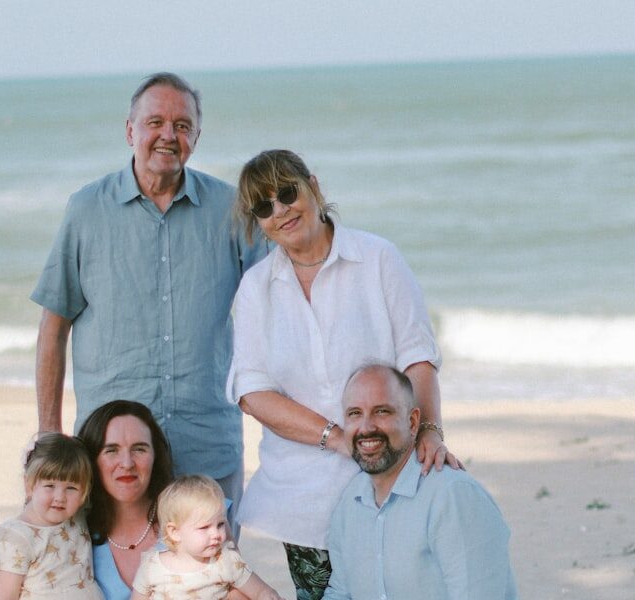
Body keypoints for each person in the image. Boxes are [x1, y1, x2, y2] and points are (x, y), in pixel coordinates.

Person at [226, 149, 461, 599]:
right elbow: (252, 392)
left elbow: (417, 356)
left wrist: (430, 430)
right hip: (302, 497)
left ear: (313, 187)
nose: (280, 211)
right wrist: (337, 437)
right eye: (263, 206)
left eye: (287, 193)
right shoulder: (256, 288)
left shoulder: (378, 258)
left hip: (391, 476)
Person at [31, 72, 267, 507]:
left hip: (206, 446)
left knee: (212, 571)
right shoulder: (86, 209)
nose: (168, 135)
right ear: (130, 131)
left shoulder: (231, 209)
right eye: (155, 122)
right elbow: (54, 323)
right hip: (111, 456)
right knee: (113, 573)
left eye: (182, 125)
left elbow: (281, 302)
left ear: (196, 136)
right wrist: (49, 432)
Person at [323, 365, 517, 599]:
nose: (366, 427)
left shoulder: (452, 496)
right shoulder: (350, 502)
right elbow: (341, 593)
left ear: (413, 422)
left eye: (381, 411)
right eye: (355, 413)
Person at [0, 433, 103, 600]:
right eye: (50, 485)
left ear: (84, 491)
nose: (60, 497)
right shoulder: (13, 539)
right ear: (29, 485)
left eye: (71, 488)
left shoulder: (76, 516)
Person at [77, 401, 173, 600]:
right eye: (111, 450)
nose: (127, 463)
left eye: (139, 449)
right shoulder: (73, 534)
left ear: (156, 456)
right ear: (91, 460)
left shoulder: (200, 519)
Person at [131, 475, 284, 600]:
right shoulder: (152, 567)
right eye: (204, 527)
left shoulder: (226, 561)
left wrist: (269, 596)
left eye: (220, 524)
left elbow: (260, 592)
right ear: (174, 532)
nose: (216, 534)